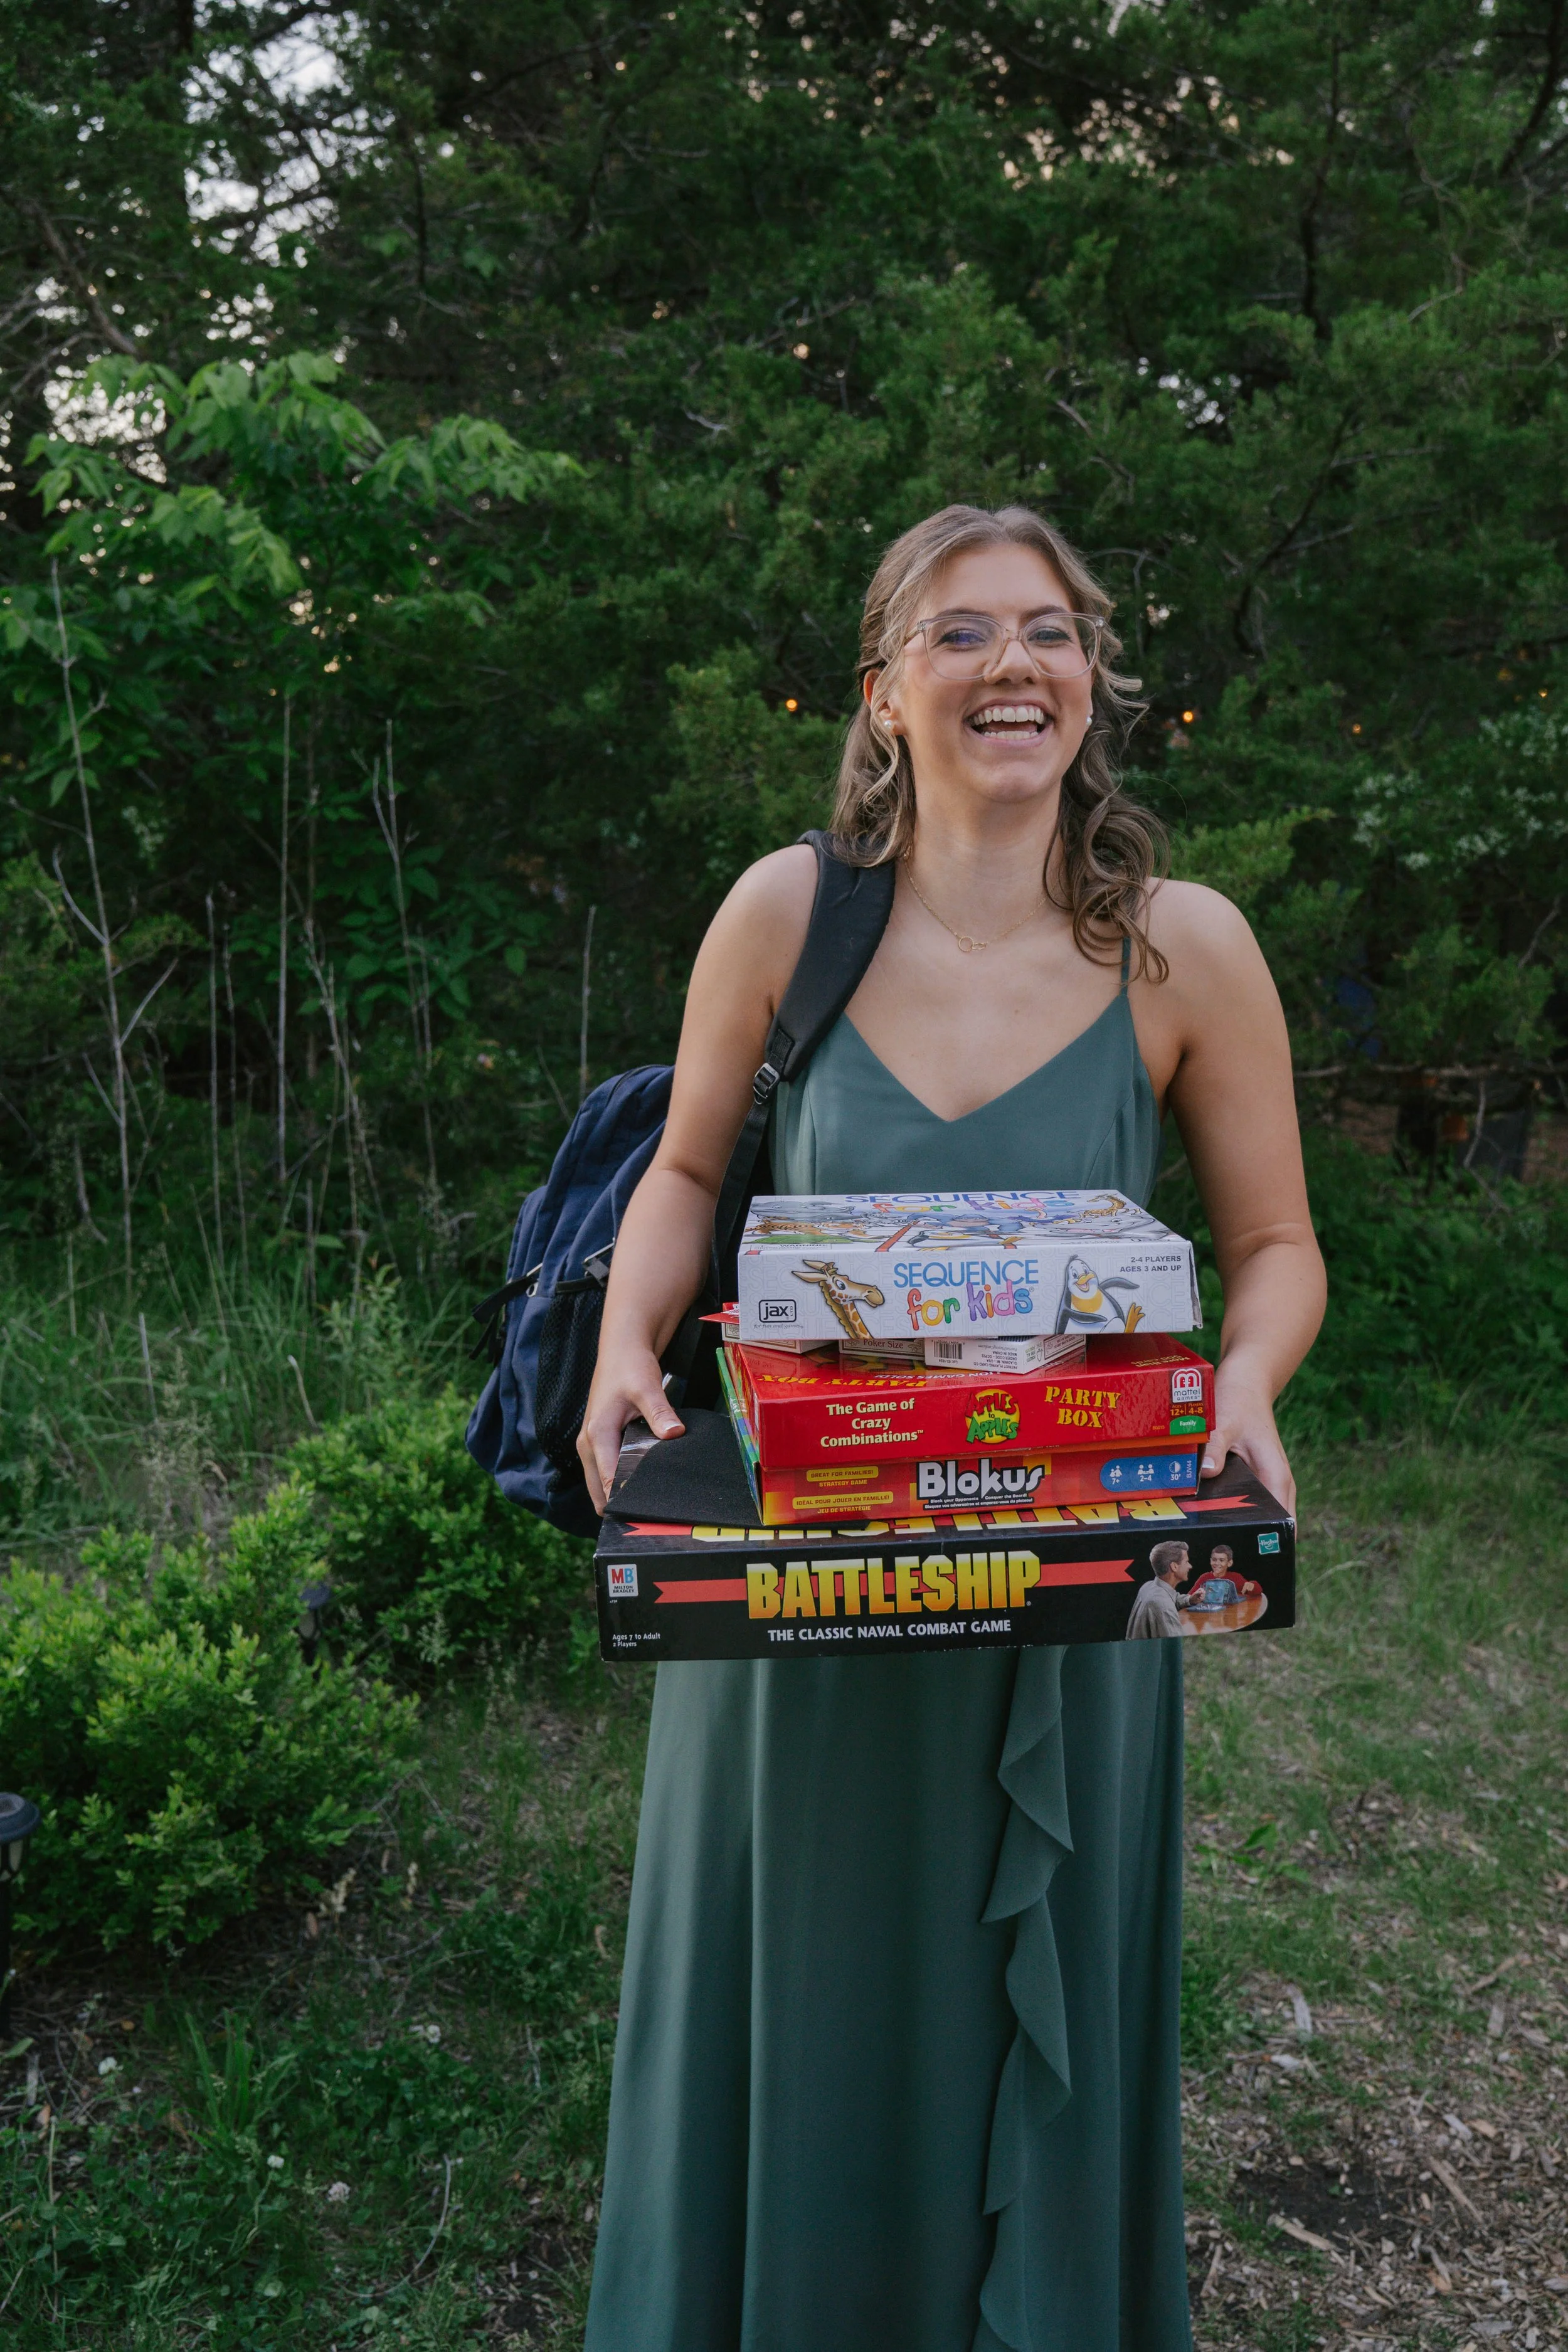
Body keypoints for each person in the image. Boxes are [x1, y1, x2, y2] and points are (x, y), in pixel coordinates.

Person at [577, 502, 1325, 2352]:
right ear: (882, 687)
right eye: (963, 632)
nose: (1014, 665)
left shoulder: (1181, 947)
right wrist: (619, 1335)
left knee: (1024, 2002)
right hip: (801, 1596)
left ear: (1092, 678)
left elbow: (1275, 1242)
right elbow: (682, 1164)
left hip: (1063, 1596)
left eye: (1051, 631)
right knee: (802, 1992)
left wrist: (1240, 1383)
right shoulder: (785, 912)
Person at [1125, 1540, 1193, 1640]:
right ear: (1174, 1566)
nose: (1190, 1566)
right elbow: (1176, 1646)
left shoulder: (1149, 1586)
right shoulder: (1162, 1606)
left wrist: (1190, 1600)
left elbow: (1172, 1598)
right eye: (1186, 1562)